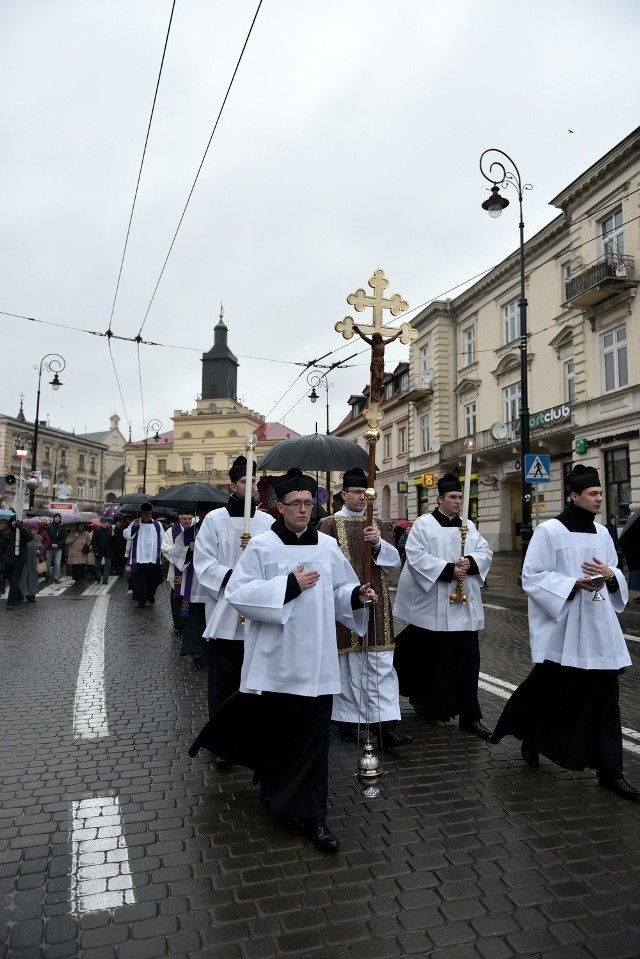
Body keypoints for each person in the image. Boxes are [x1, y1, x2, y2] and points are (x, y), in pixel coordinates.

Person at [190, 468, 377, 853]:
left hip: (317, 663)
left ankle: (314, 817)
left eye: (309, 503)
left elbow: (340, 590)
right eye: (296, 504)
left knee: (313, 741)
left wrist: (357, 597)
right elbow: (239, 594)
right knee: (278, 737)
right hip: (275, 661)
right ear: (279, 507)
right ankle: (277, 792)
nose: (304, 511)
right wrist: (289, 586)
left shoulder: (326, 547)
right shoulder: (261, 547)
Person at [491, 465, 639, 800]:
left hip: (600, 628)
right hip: (566, 629)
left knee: (606, 699)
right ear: (574, 496)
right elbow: (531, 576)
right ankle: (533, 736)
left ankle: (611, 772)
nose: (600, 498)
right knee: (557, 694)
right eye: (593, 494)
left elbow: (614, 567)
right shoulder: (549, 532)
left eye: (601, 493)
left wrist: (610, 575)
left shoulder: (602, 532)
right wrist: (573, 583)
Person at [393, 472, 493, 738]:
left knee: (469, 662)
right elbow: (414, 557)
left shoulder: (468, 525)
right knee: (435, 660)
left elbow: (485, 552)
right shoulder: (424, 525)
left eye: (460, 497)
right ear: (439, 499)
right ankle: (429, 704)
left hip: (465, 606)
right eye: (453, 497)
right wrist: (449, 570)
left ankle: (470, 716)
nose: (458, 501)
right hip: (435, 605)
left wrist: (471, 562)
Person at [319, 467, 412, 751]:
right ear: (344, 493)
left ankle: (386, 727)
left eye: (365, 493)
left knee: (380, 664)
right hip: (343, 604)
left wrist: (378, 544)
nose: (361, 498)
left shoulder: (379, 524)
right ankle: (347, 723)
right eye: (356, 493)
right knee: (348, 666)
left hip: (377, 603)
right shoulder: (329, 525)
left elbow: (394, 563)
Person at [194, 456, 273, 765]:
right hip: (225, 613)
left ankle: (252, 740)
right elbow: (204, 563)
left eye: (253, 482)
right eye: (244, 482)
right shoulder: (214, 520)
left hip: (256, 615)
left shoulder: (266, 522)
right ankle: (223, 745)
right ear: (233, 485)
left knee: (253, 683)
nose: (250, 487)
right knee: (224, 683)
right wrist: (234, 578)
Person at [166, 503, 215, 669]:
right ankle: (197, 652)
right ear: (198, 513)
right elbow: (174, 551)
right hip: (195, 583)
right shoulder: (189, 532)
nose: (205, 514)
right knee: (196, 618)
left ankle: (211, 650)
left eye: (208, 511)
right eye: (202, 511)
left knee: (212, 617)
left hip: (214, 582)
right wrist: (189, 549)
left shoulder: (219, 530)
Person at [123, 504, 164, 608]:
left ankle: (151, 594)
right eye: (145, 513)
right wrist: (134, 527)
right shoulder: (135, 523)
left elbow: (163, 539)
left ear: (151, 513)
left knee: (156, 578)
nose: (147, 515)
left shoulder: (157, 524)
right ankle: (142, 600)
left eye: (149, 513)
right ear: (141, 513)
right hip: (139, 558)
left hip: (154, 557)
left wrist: (164, 553)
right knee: (140, 581)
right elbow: (127, 535)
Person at [162, 512, 196, 635]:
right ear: (179, 519)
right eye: (184, 519)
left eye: (189, 518)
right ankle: (179, 624)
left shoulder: (197, 529)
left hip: (193, 569)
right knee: (177, 595)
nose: (187, 521)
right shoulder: (171, 531)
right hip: (177, 569)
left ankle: (190, 622)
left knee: (192, 595)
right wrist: (185, 553)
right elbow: (166, 548)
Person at [0, 516, 33, 609]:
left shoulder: (23, 532)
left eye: (16, 521)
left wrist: (21, 527)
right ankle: (19, 596)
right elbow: (2, 548)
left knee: (14, 580)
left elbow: (30, 538)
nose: (14, 522)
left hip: (19, 561)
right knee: (11, 581)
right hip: (8, 560)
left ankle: (11, 601)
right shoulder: (7, 534)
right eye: (13, 521)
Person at [19, 524, 43, 603]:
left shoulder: (39, 538)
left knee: (33, 579)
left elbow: (41, 547)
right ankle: (22, 595)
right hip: (25, 560)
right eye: (31, 530)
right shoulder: (24, 536)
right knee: (23, 578)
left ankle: (31, 595)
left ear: (37, 530)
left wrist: (39, 551)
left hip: (34, 560)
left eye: (34, 530)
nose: (33, 532)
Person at [46, 512, 67, 583]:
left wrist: (58, 544)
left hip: (58, 548)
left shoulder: (62, 527)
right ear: (54, 518)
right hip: (50, 547)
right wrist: (51, 544)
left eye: (59, 518)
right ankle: (47, 574)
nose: (57, 519)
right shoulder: (48, 527)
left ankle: (56, 577)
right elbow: (46, 538)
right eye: (56, 518)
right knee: (48, 563)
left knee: (57, 563)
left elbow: (64, 538)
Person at [92, 518, 114, 585]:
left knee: (107, 566)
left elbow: (113, 542)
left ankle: (105, 580)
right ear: (100, 523)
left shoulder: (110, 530)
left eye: (105, 522)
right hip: (99, 550)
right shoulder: (96, 530)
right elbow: (94, 541)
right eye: (102, 522)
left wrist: (114, 537)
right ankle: (98, 578)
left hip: (108, 550)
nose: (104, 524)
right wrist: (95, 550)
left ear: (107, 523)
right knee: (97, 566)